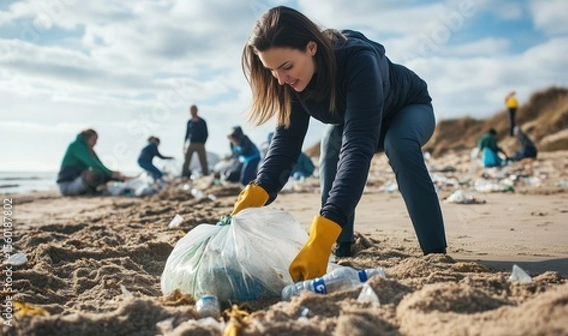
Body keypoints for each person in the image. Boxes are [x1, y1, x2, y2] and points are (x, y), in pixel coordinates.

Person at [232, 6, 447, 282]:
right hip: (356, 120)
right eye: (272, 71)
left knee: (398, 144)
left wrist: (320, 235)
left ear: (311, 48)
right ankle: (342, 245)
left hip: (408, 109)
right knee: (331, 146)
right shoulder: (289, 82)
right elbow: (286, 144)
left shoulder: (358, 60)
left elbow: (357, 147)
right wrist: (258, 191)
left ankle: (435, 252)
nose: (281, 79)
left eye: (286, 67)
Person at [56, 129, 126, 196]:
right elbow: (93, 164)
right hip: (67, 185)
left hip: (78, 182)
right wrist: (111, 174)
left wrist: (119, 178)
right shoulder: (76, 146)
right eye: (94, 140)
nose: (96, 143)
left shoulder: (88, 149)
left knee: (99, 173)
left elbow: (100, 166)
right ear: (87, 138)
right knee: (93, 174)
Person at [182, 105, 210, 178]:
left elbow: (206, 133)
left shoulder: (202, 121)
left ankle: (206, 175)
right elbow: (187, 133)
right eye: (191, 110)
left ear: (196, 111)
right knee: (186, 161)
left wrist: (203, 142)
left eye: (193, 110)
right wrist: (184, 144)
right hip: (191, 143)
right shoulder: (189, 122)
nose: (192, 112)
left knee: (203, 161)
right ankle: (183, 176)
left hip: (200, 144)